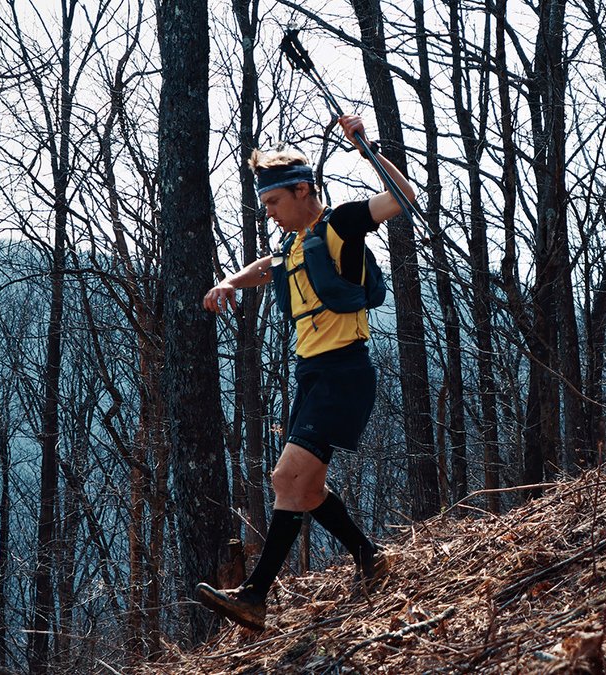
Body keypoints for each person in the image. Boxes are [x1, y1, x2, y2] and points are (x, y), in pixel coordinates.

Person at [195, 114, 413, 631]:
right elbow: (267, 266)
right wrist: (228, 281)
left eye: (272, 202)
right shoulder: (294, 245)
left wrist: (365, 149)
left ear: (300, 190)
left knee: (284, 478)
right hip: (312, 375)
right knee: (307, 490)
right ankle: (371, 558)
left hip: (343, 372)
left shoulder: (340, 225)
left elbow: (403, 199)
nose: (268, 213)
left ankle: (255, 596)